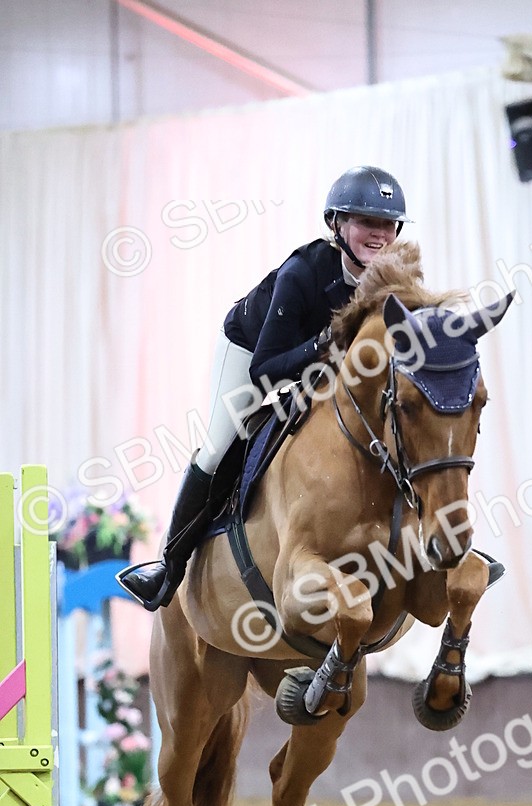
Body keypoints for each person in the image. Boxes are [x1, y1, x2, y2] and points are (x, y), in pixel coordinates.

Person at [119, 165, 407, 611]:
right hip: (252, 350)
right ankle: (168, 568)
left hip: (319, 366)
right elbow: (266, 370)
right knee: (217, 448)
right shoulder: (302, 273)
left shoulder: (392, 279)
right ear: (337, 224)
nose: (380, 234)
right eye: (367, 222)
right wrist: (321, 344)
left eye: (387, 224)